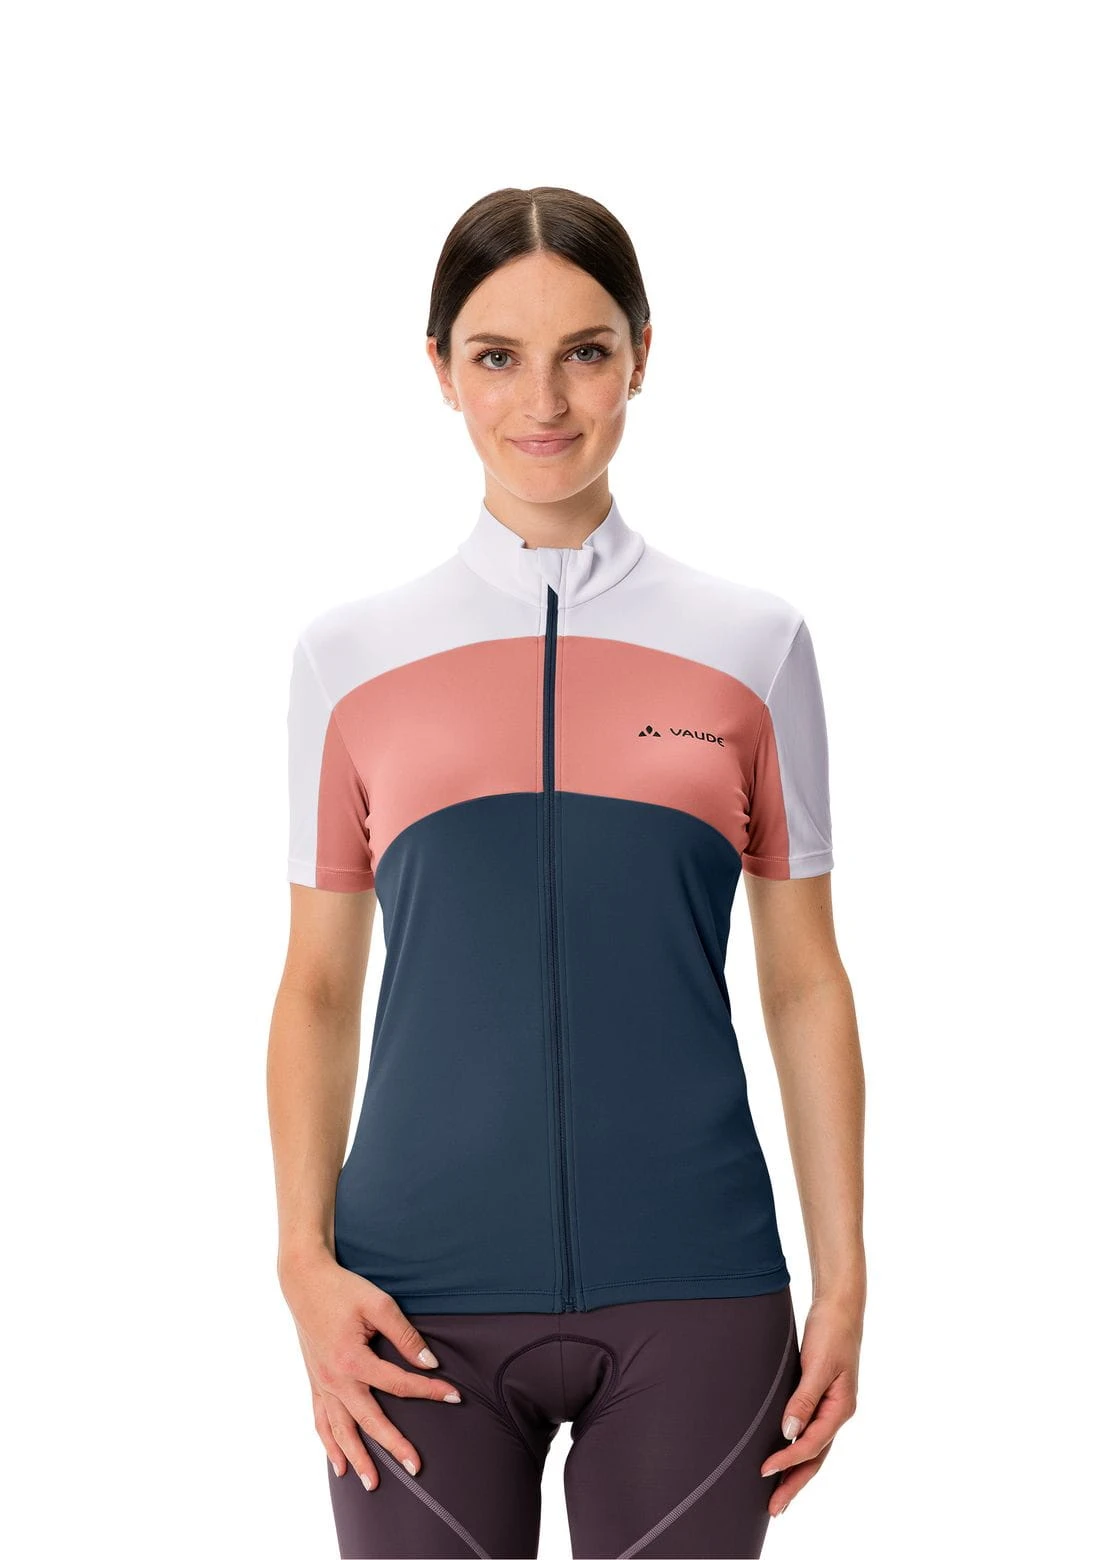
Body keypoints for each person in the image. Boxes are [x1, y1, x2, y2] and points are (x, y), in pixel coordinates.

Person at [268, 185, 866, 1560]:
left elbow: (804, 980)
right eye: (498, 356)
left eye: (585, 352)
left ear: (642, 357)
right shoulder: (346, 660)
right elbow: (316, 990)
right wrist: (303, 1261)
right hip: (408, 1302)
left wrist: (844, 1275)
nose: (543, 401)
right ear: (440, 369)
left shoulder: (754, 645)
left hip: (697, 1288)